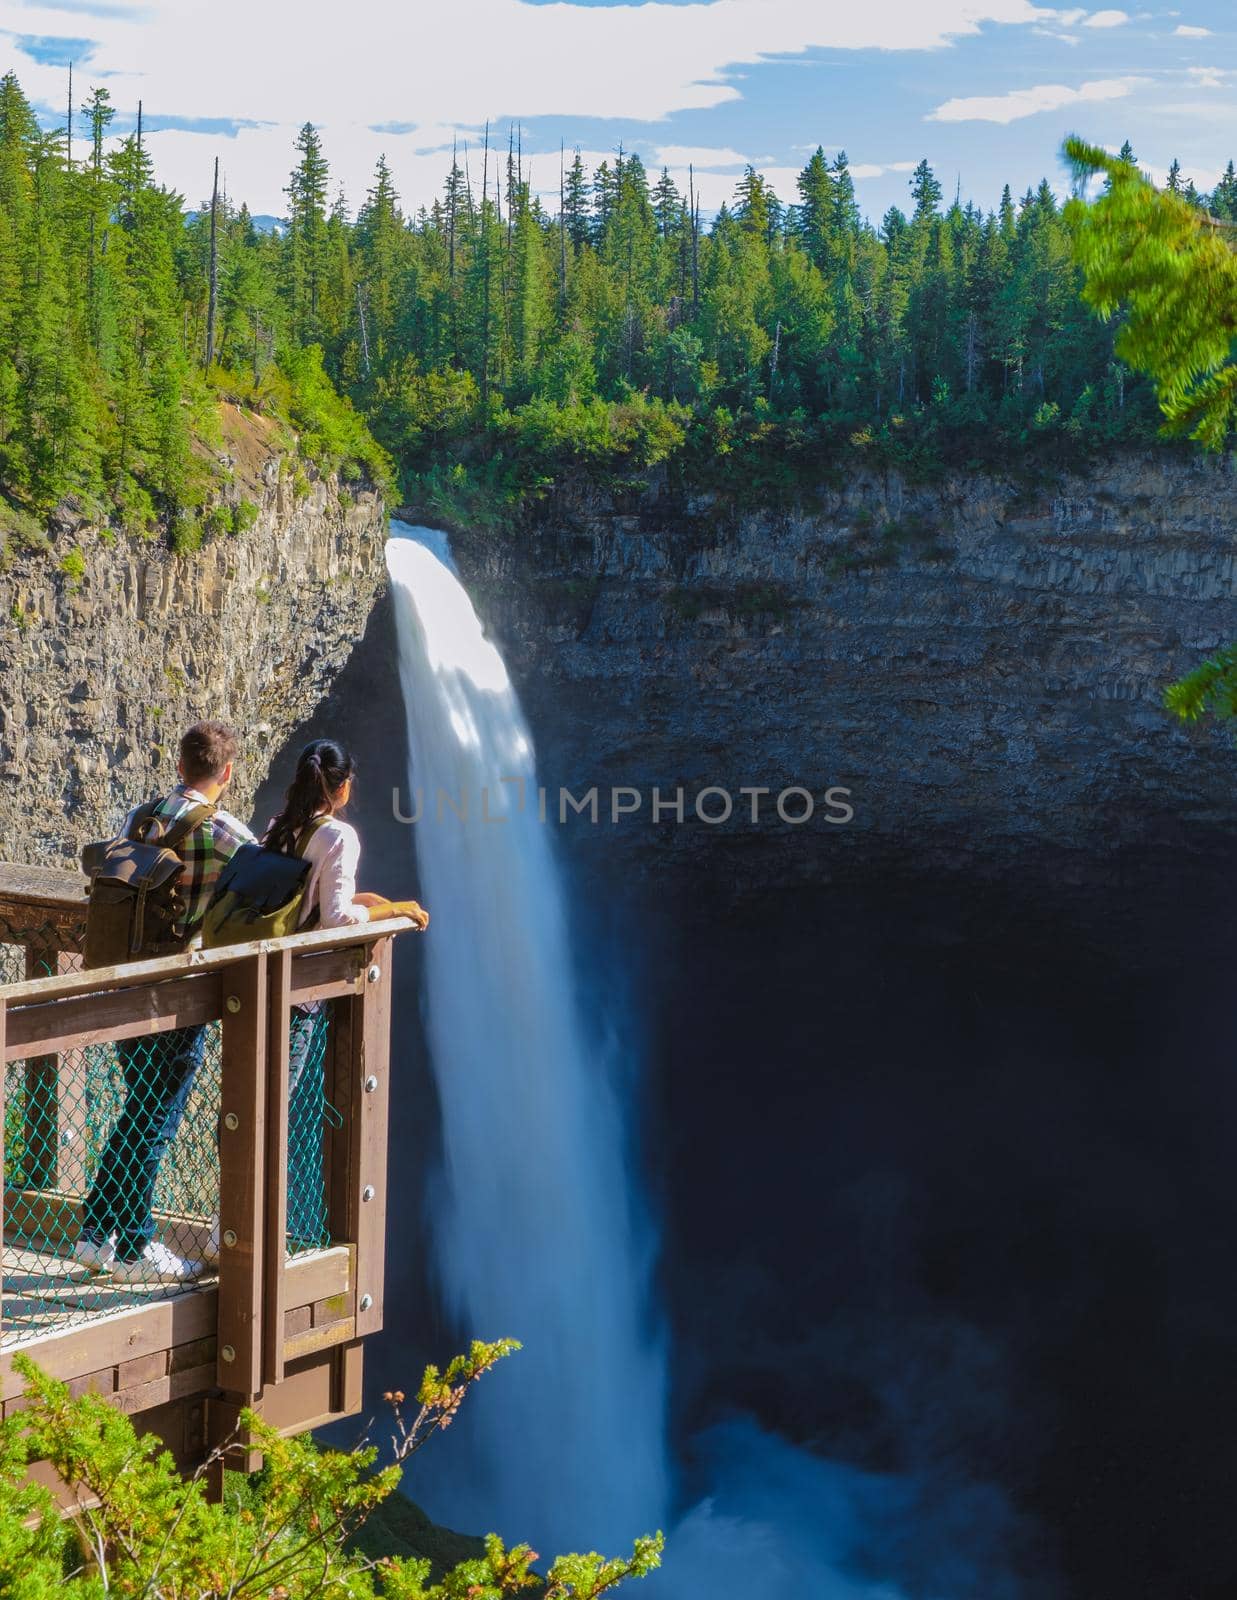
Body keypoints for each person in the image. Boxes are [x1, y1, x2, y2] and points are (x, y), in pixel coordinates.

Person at [75, 721, 257, 1282]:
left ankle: (93, 1232)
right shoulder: (228, 834)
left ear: (180, 766)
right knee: (155, 1119)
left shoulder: (140, 816)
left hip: (124, 980)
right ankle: (133, 1248)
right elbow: (266, 891)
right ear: (226, 773)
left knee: (139, 1109)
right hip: (178, 993)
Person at [264, 739, 427, 1248]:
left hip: (259, 983)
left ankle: (250, 1225)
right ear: (342, 787)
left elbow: (299, 900)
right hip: (301, 993)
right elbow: (333, 920)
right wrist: (389, 911)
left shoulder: (278, 827)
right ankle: (261, 1232)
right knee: (275, 1111)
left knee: (256, 1104)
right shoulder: (339, 836)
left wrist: (361, 899)